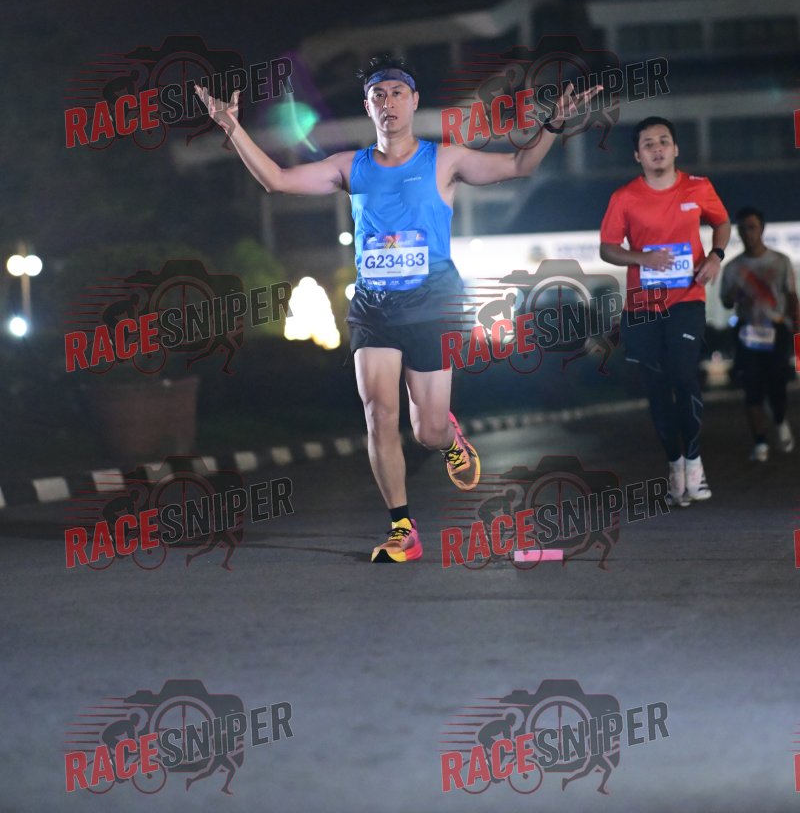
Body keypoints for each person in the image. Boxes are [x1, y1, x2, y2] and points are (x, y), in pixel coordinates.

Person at [196, 54, 600, 562]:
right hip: (374, 308)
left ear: (414, 101)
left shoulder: (445, 159)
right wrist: (232, 128)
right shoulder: (351, 167)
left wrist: (553, 124)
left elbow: (520, 165)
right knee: (378, 416)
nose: (388, 103)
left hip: (434, 305)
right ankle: (402, 529)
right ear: (368, 108)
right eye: (378, 96)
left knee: (426, 429)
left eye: (396, 93)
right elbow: (276, 179)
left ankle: (449, 439)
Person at [599, 117, 730, 506]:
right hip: (643, 305)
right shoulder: (624, 197)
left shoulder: (698, 187)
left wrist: (716, 256)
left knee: (685, 377)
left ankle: (695, 463)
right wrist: (643, 258)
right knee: (656, 388)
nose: (657, 148)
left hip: (687, 298)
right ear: (637, 155)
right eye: (648, 144)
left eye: (663, 141)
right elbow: (608, 248)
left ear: (676, 149)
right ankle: (674, 465)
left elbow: (722, 222)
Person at [720, 207, 798, 461]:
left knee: (777, 384)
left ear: (762, 229)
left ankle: (779, 419)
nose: (747, 233)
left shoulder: (780, 261)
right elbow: (726, 301)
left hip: (776, 328)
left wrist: (796, 327)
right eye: (742, 229)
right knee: (751, 388)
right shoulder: (733, 267)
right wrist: (732, 296)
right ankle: (760, 442)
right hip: (747, 331)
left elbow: (790, 296)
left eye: (752, 227)